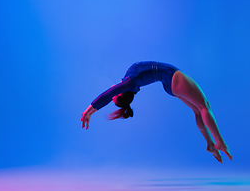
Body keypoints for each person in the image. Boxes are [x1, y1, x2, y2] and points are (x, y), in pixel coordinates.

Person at [81, 61, 232, 163]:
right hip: (173, 78)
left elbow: (110, 94)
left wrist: (91, 110)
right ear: (121, 93)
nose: (113, 92)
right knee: (204, 106)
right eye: (115, 96)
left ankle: (210, 144)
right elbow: (107, 94)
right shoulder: (128, 82)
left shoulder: (129, 80)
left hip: (170, 84)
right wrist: (89, 111)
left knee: (198, 111)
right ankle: (220, 141)